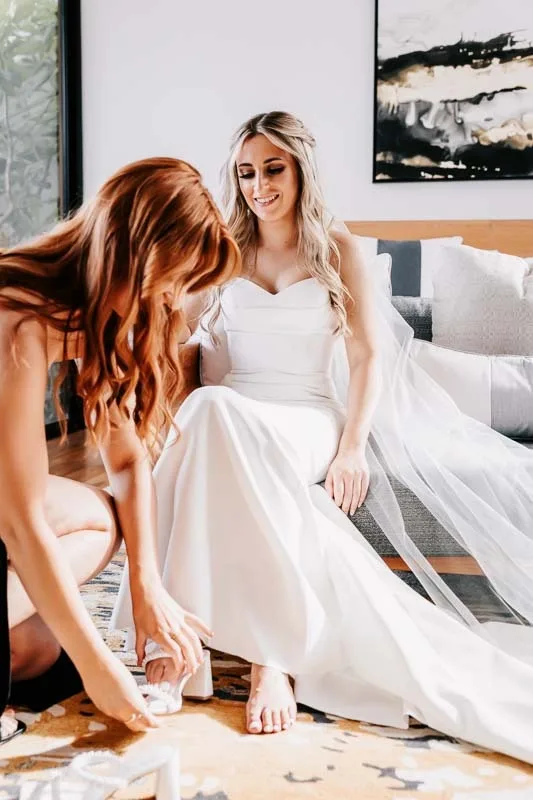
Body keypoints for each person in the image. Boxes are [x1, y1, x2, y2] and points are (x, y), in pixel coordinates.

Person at [112, 114, 533, 763]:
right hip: (236, 414)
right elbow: (183, 332)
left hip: (308, 416)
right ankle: (182, 645)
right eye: (246, 173)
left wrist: (352, 447)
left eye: (271, 169)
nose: (258, 186)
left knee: (213, 415)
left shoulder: (335, 246)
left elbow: (367, 355)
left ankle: (265, 658)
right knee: (210, 415)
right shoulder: (223, 245)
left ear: (300, 168)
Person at [0, 156, 240, 743]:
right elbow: (20, 519)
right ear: (132, 254)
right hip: (8, 514)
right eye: (173, 280)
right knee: (92, 526)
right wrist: (100, 666)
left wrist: (147, 587)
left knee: (36, 650)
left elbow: (129, 463)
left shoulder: (94, 320)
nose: (174, 301)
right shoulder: (15, 312)